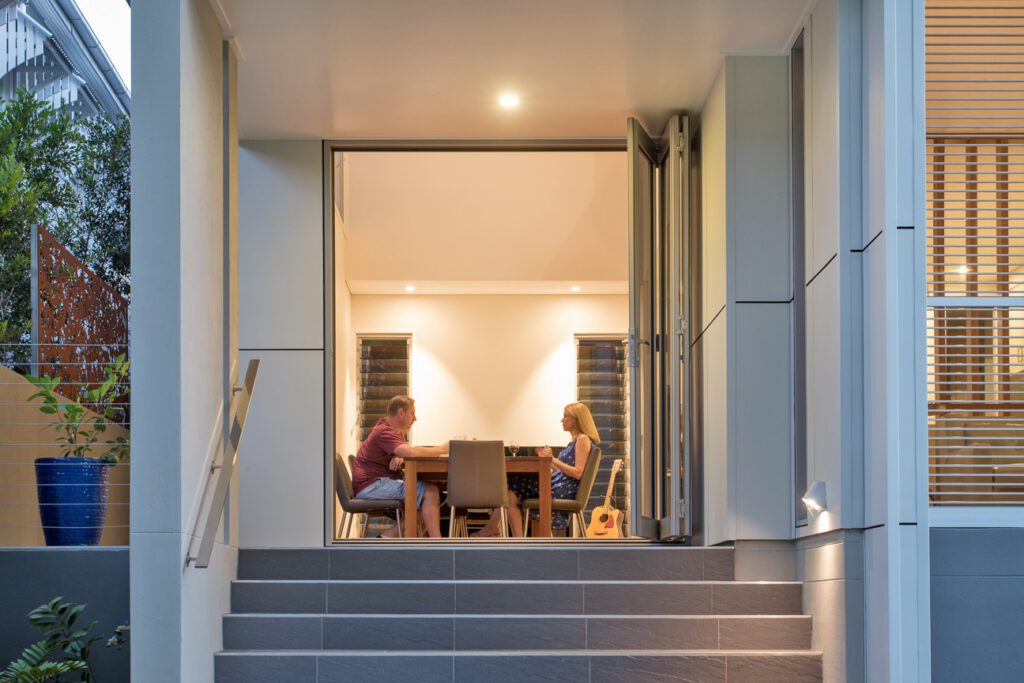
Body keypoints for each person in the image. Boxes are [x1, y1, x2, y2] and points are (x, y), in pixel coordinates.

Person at [475, 402, 601, 537]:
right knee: (510, 494)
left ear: (576, 419)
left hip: (563, 489)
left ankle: (496, 530)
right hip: (559, 484)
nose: (562, 420)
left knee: (513, 483)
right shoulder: (575, 440)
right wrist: (547, 459)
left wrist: (552, 459)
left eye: (565, 417)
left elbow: (578, 473)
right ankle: (513, 538)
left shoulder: (582, 439)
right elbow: (561, 471)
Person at [352, 395, 448, 538]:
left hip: (376, 483)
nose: (415, 418)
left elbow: (403, 451)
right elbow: (412, 452)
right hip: (371, 485)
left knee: (434, 495)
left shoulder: (393, 432)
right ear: (401, 412)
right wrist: (442, 449)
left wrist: (399, 456)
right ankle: (438, 544)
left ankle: (387, 536)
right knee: (430, 492)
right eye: (413, 413)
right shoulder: (384, 432)